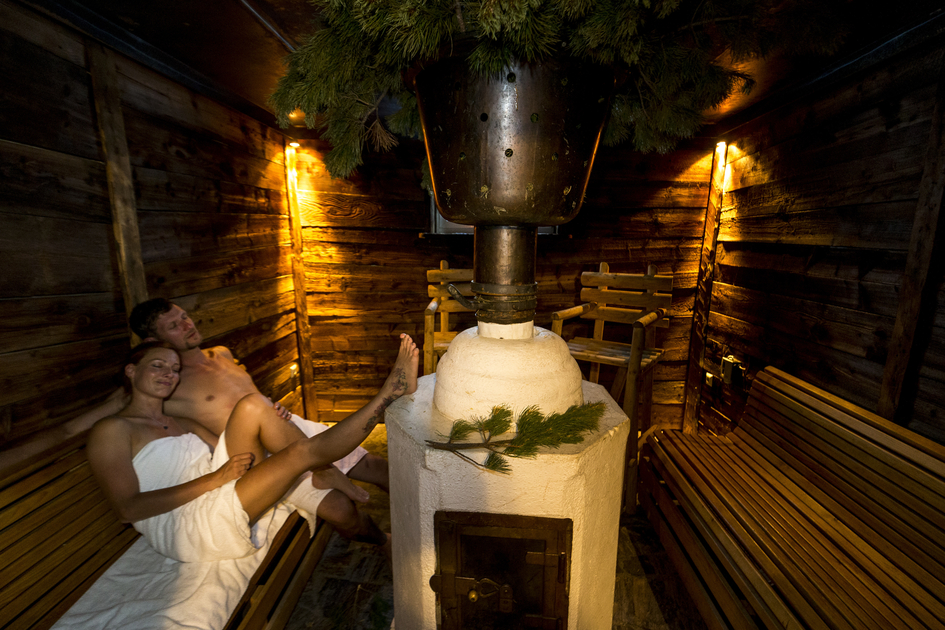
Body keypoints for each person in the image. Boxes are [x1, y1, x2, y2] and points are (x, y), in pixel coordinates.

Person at [87, 336, 417, 562]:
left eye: (174, 369)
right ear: (132, 371)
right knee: (299, 455)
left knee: (253, 406)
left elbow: (227, 445)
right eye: (158, 365)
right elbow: (127, 510)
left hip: (218, 489)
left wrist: (275, 423)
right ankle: (386, 397)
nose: (169, 375)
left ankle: (324, 469)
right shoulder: (112, 430)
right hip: (188, 524)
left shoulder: (175, 418)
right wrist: (215, 480)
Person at [115, 297, 392, 548]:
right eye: (173, 326)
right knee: (342, 512)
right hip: (261, 455)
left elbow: (245, 394)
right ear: (152, 341)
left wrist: (272, 408)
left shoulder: (221, 353)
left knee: (379, 468)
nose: (186, 325)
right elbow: (118, 405)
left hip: (286, 426)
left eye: (184, 316)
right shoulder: (168, 381)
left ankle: (428, 515)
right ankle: (385, 541)